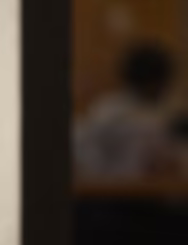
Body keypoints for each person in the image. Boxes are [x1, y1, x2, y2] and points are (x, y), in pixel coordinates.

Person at [74, 42, 182, 179]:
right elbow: (85, 151)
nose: (164, 89)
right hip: (111, 190)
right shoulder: (110, 112)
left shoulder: (166, 109)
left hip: (153, 189)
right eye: (161, 84)